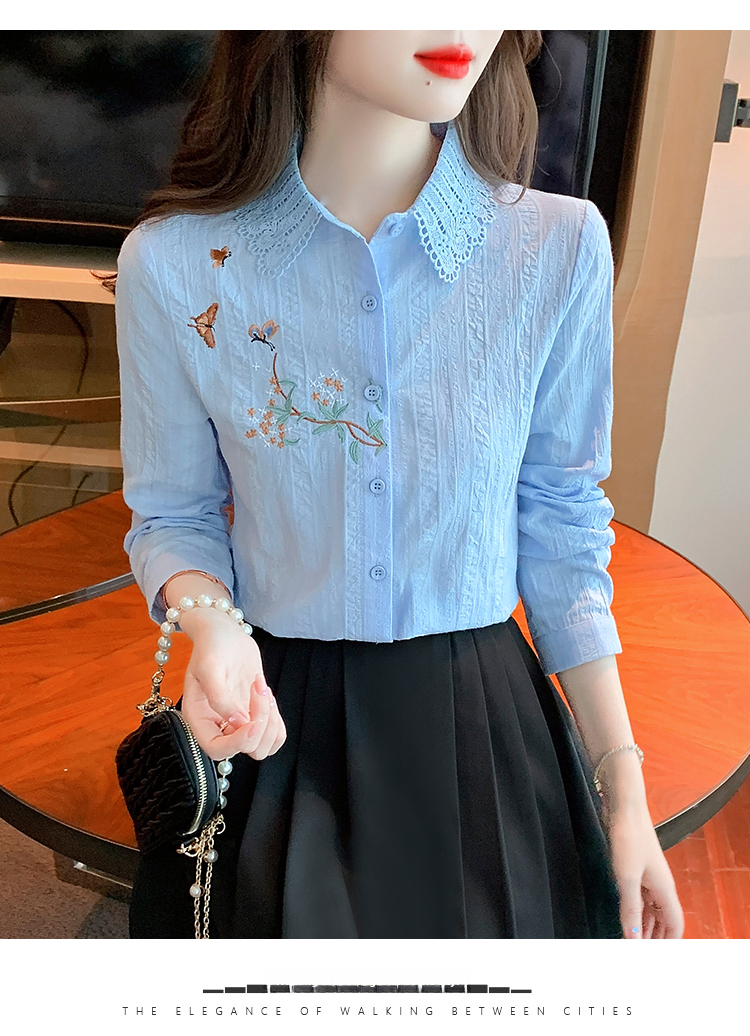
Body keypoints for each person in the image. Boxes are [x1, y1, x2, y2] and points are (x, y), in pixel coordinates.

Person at [115, 29, 684, 940]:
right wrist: (212, 626)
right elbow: (172, 513)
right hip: (268, 717)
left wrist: (624, 787)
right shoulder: (174, 262)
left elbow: (562, 523)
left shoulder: (557, 247)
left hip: (480, 724)